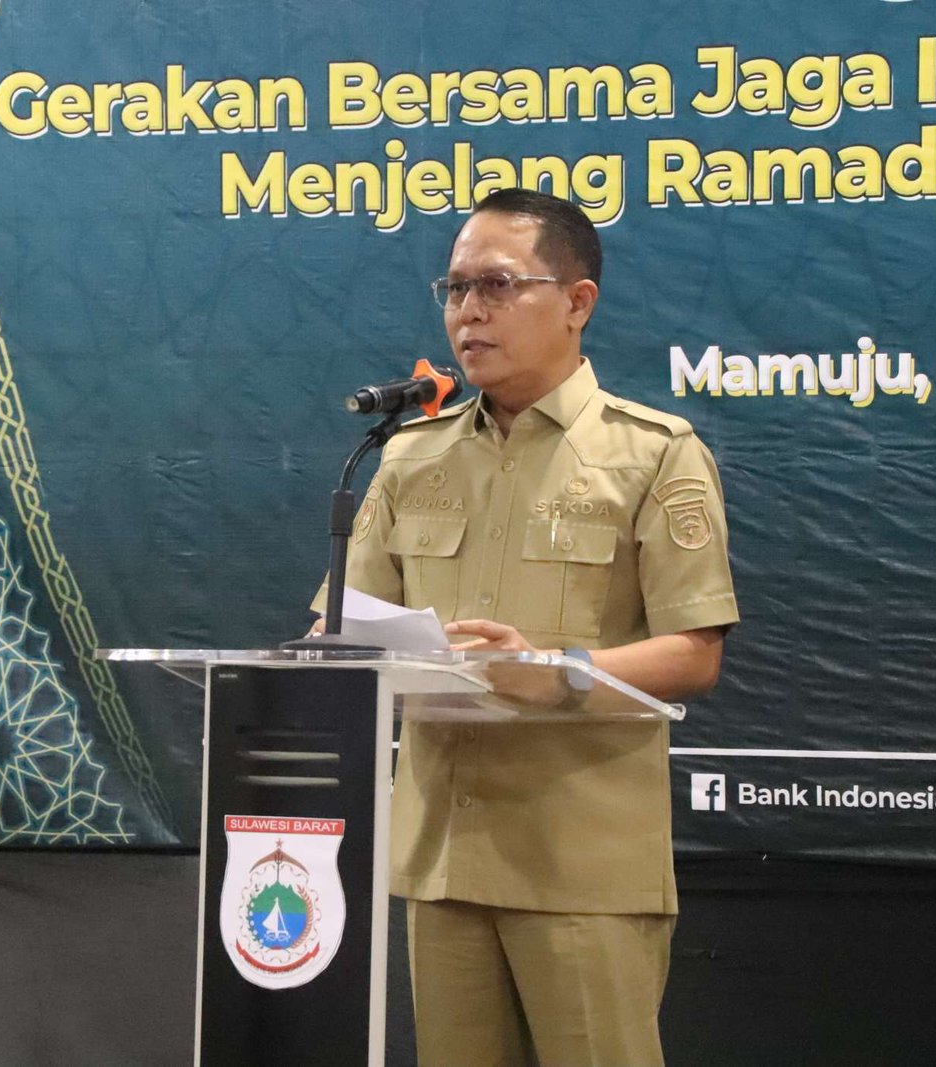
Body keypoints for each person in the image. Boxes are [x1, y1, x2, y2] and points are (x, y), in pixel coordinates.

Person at [318, 187, 738, 1065]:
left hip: (580, 857)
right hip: (444, 854)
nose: (469, 311)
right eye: (456, 288)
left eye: (498, 285)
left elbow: (696, 652)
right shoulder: (410, 455)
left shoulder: (652, 453)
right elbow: (339, 625)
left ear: (577, 302)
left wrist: (556, 670)